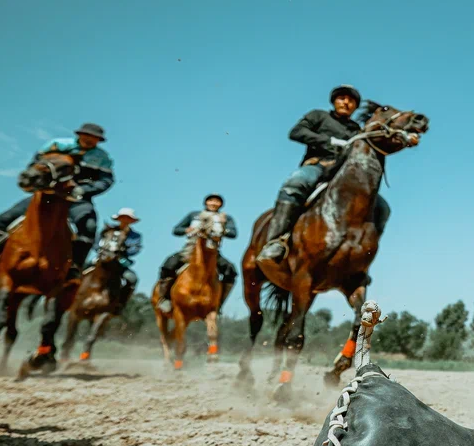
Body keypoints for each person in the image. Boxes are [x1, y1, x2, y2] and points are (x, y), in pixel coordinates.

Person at [256, 85, 391, 264]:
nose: (346, 102)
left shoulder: (356, 130)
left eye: (351, 100)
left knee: (382, 207)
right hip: (318, 166)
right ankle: (275, 241)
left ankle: (363, 257)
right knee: (295, 184)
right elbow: (296, 132)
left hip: (343, 175)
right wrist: (329, 141)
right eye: (342, 98)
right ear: (334, 101)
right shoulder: (318, 115)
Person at [0, 122, 114, 277]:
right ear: (79, 134)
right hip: (47, 194)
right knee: (5, 218)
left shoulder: (103, 158)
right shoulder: (57, 145)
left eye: (94, 137)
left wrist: (83, 190)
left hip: (76, 199)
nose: (89, 139)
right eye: (87, 135)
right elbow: (35, 166)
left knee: (89, 226)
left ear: (99, 140)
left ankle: (74, 268)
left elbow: (106, 181)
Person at [154, 195, 238, 312]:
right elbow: (176, 230)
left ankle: (218, 303)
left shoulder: (225, 218)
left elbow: (233, 233)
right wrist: (186, 230)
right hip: (190, 249)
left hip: (212, 251)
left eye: (217, 201)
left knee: (231, 270)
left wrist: (223, 229)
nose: (213, 203)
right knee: (169, 263)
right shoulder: (194, 215)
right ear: (206, 202)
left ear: (221, 204)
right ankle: (165, 298)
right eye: (211, 200)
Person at [98, 208, 143, 300]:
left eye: (128, 218)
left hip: (120, 263)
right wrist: (101, 251)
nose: (125, 220)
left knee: (132, 279)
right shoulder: (108, 230)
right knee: (84, 271)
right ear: (119, 219)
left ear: (131, 221)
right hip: (102, 260)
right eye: (123, 217)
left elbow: (135, 249)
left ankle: (120, 302)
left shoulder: (135, 236)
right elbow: (97, 243)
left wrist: (124, 250)